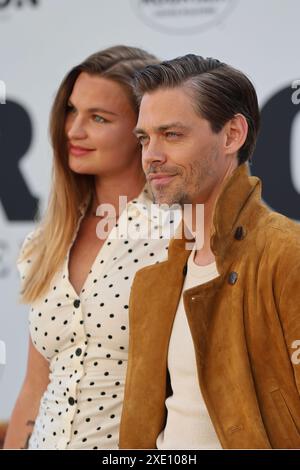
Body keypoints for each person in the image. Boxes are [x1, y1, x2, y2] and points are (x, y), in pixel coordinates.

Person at [119, 54, 300, 449]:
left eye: (172, 135)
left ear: (232, 134)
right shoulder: (153, 282)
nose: (151, 155)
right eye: (144, 138)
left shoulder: (287, 255)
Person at [4, 45, 178, 450]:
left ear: (144, 130)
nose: (73, 131)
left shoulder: (180, 237)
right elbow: (35, 387)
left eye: (98, 118)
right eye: (71, 111)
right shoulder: (43, 242)